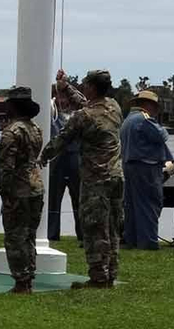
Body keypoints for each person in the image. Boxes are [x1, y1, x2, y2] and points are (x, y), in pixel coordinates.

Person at [40, 68, 123, 289]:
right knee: (112, 226)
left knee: (94, 228)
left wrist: (42, 156)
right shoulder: (114, 107)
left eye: (86, 84)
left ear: (93, 87)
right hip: (116, 177)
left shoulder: (84, 116)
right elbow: (85, 103)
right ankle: (110, 274)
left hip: (96, 180)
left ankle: (98, 277)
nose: (84, 87)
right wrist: (66, 87)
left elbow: (62, 139)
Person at [0, 87, 45, 293]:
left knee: (15, 237)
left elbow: (7, 166)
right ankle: (29, 276)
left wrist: (5, 192)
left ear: (13, 106)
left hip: (18, 189)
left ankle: (21, 280)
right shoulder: (35, 129)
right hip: (35, 187)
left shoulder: (12, 131)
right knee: (29, 236)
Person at [119, 89, 174, 249]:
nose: (157, 110)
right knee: (150, 203)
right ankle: (148, 241)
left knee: (132, 204)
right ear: (148, 105)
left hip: (130, 166)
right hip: (146, 167)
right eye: (155, 106)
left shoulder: (128, 120)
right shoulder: (144, 119)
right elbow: (162, 135)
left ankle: (132, 238)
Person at [47, 84, 83, 244]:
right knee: (54, 197)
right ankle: (52, 233)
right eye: (60, 96)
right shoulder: (52, 111)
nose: (63, 100)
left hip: (75, 158)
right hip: (57, 159)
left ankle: (82, 233)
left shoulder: (80, 113)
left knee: (79, 197)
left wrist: (67, 85)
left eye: (65, 96)